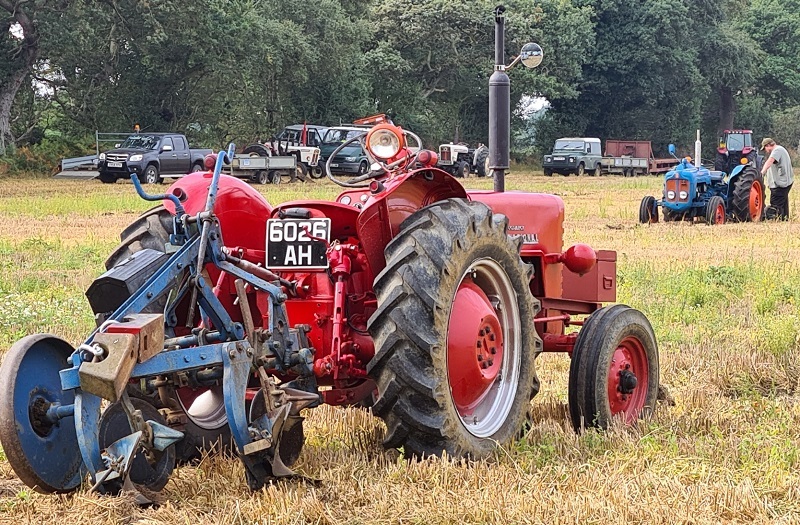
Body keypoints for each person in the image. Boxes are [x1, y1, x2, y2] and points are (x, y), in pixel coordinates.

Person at [760, 138, 794, 220]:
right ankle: (784, 218)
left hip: (780, 184)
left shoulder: (777, 150)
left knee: (775, 204)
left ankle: (772, 218)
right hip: (785, 182)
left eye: (765, 148)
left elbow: (770, 161)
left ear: (768, 145)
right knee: (783, 203)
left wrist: (762, 173)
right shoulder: (781, 149)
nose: (765, 150)